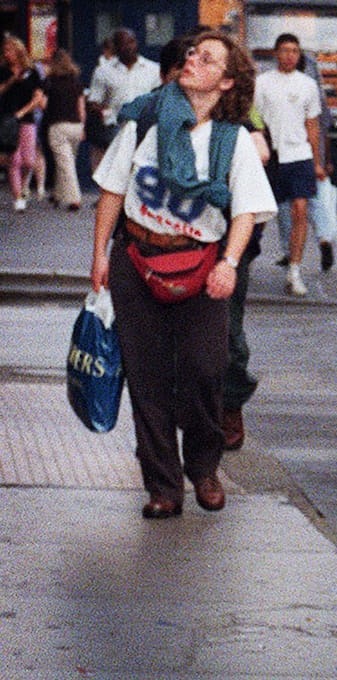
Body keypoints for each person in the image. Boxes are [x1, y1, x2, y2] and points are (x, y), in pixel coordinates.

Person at [89, 30, 276, 519]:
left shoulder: (231, 139)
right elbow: (112, 189)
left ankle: (204, 467)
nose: (193, 59)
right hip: (138, 259)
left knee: (203, 372)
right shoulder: (146, 120)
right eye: (193, 52)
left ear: (226, 80)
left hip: (202, 266)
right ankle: (163, 486)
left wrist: (229, 265)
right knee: (146, 378)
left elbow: (246, 212)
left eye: (207, 57)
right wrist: (101, 255)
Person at [254, 33, 323, 296]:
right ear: (276, 53)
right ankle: (245, 258)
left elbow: (312, 124)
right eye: (285, 50)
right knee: (257, 215)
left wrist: (317, 162)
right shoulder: (262, 83)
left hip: (299, 155)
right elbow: (254, 118)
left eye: (295, 50)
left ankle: (294, 270)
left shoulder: (307, 84)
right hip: (270, 156)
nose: (290, 55)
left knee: (299, 211)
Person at [273, 50, 337, 273]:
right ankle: (324, 238)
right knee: (317, 201)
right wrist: (324, 161)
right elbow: (325, 130)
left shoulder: (281, 93)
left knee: (285, 207)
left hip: (289, 157)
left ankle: (288, 250)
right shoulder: (315, 94)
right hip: (313, 157)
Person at [86, 28, 159, 171]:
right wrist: (102, 111)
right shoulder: (103, 71)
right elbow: (94, 100)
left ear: (136, 43)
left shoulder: (153, 69)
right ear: (116, 47)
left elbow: (160, 97)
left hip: (145, 128)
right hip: (116, 128)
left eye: (131, 42)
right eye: (122, 44)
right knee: (118, 171)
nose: (128, 47)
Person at [0, 36, 46, 211]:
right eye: (5, 51)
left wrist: (23, 112)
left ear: (19, 51)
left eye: (10, 50)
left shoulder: (32, 71)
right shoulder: (3, 71)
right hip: (7, 118)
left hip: (26, 119)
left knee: (28, 160)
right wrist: (12, 80)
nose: (7, 54)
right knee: (14, 159)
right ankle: (18, 197)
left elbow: (38, 97)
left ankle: (25, 182)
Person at [41, 48, 86, 211]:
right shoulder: (76, 82)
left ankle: (74, 198)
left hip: (58, 126)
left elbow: (42, 103)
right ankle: (58, 194)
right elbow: (81, 108)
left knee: (65, 163)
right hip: (75, 125)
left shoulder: (50, 82)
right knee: (68, 161)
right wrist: (83, 127)